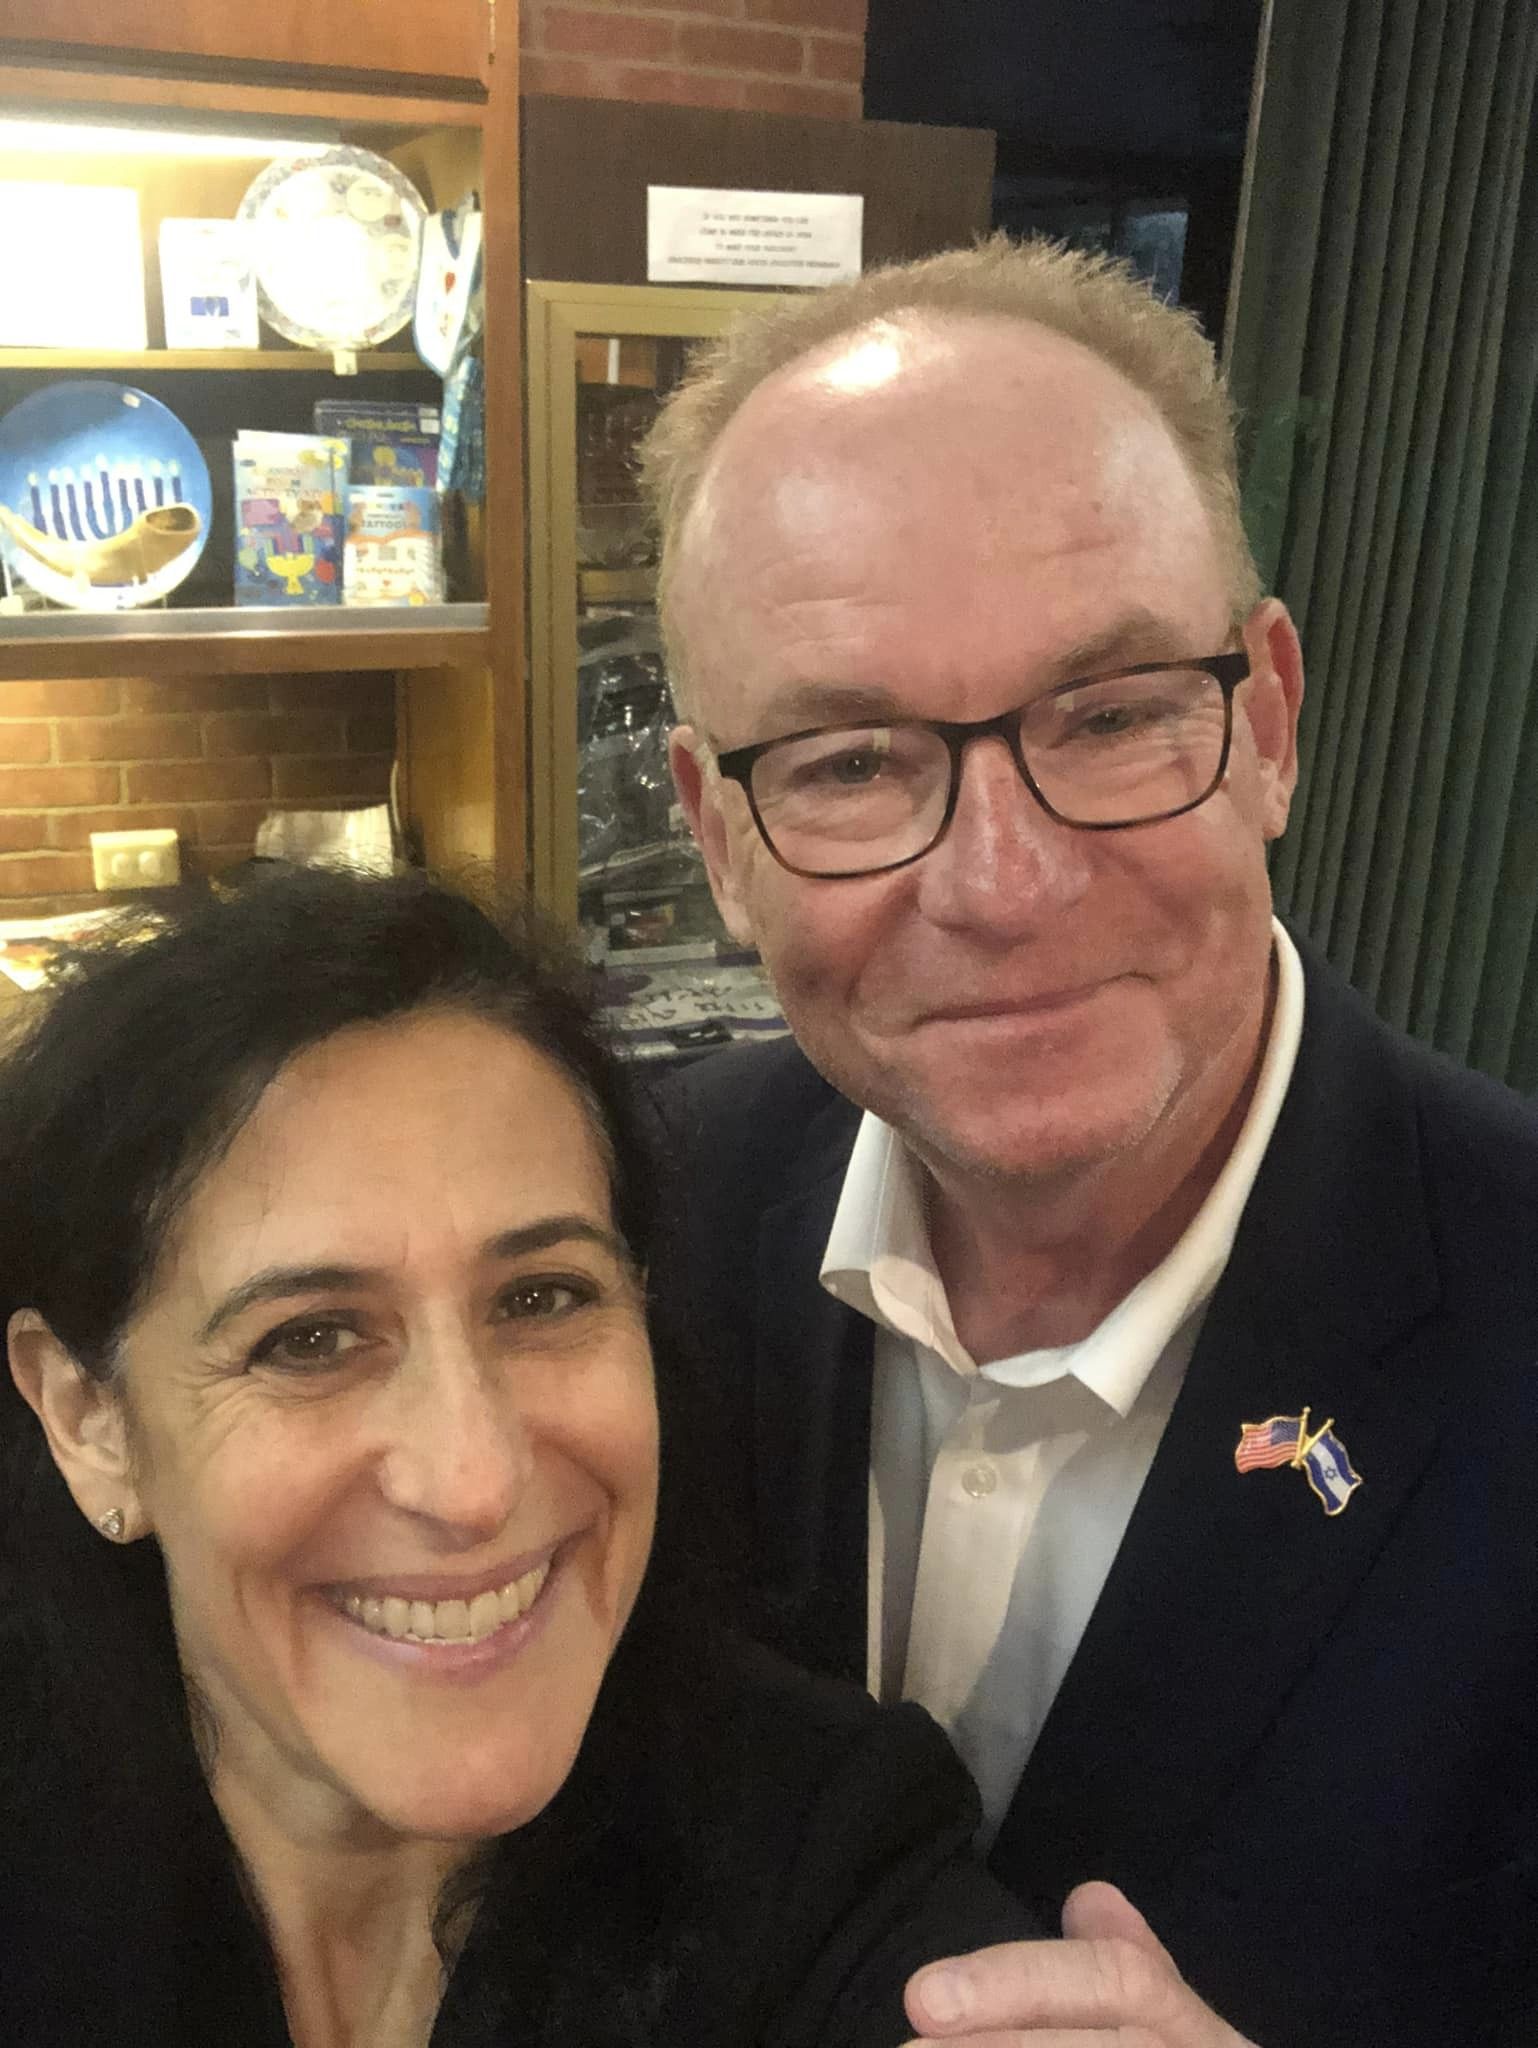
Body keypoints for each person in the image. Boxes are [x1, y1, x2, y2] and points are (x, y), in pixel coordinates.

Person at [642, 234, 1538, 2047]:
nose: (1005, 885)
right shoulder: (626, 1229)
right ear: (716, 837)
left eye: (1114, 715)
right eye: (847, 761)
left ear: (1266, 723)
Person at [0, 864, 1037, 2048]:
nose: (473, 1481)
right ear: (88, 1419)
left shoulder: (824, 1848)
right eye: (309, 1338)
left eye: (542, 1296)